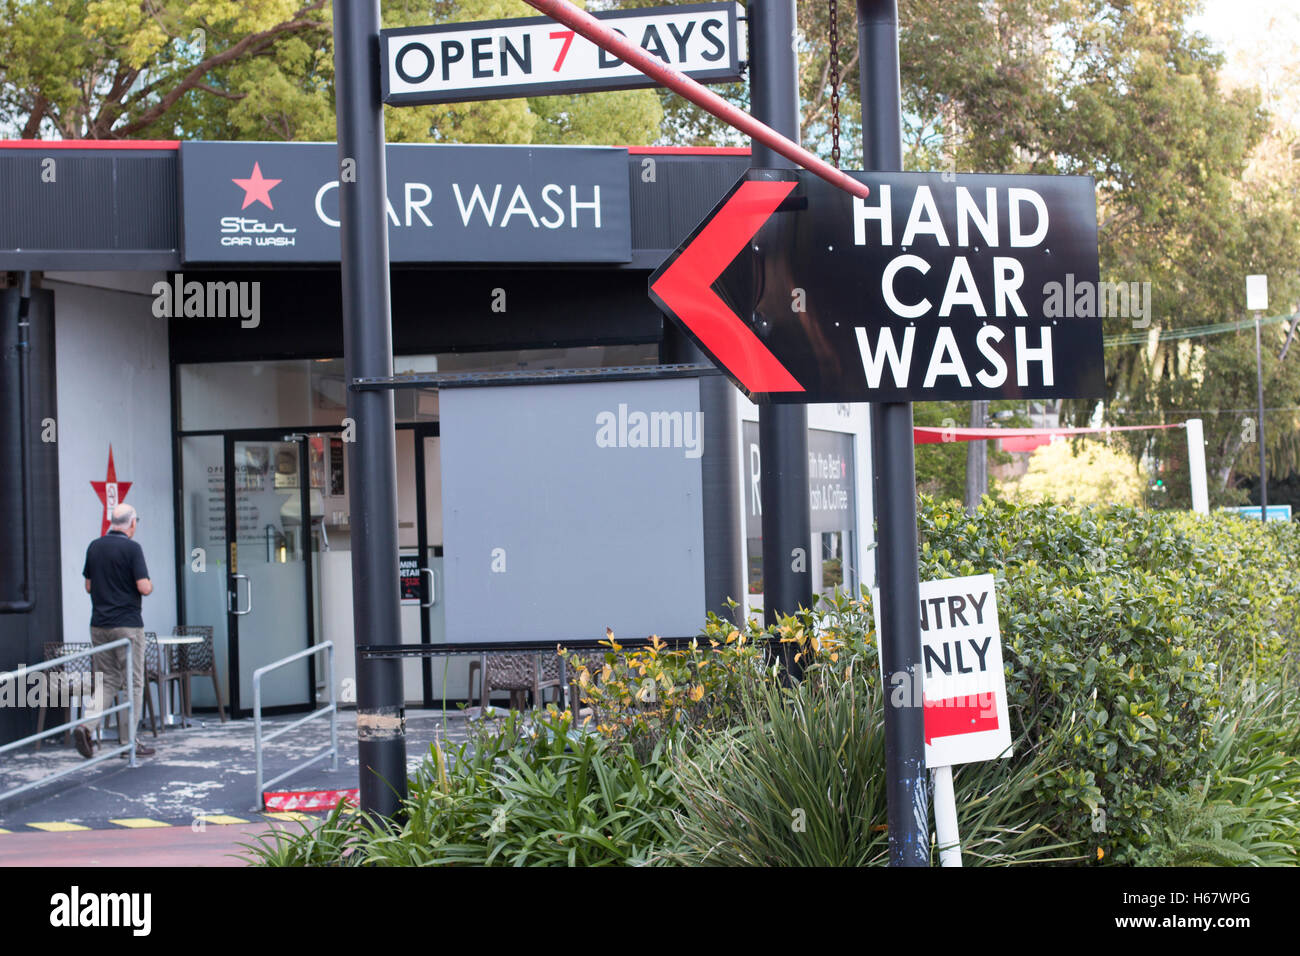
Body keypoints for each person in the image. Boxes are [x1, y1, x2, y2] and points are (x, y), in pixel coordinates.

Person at [74, 503, 155, 759]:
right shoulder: (133, 548)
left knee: (108, 679)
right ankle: (128, 743)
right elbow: (144, 587)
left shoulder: (94, 546)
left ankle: (86, 726)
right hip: (127, 625)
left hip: (99, 625)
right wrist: (149, 585)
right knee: (133, 682)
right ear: (131, 523)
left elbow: (89, 586)